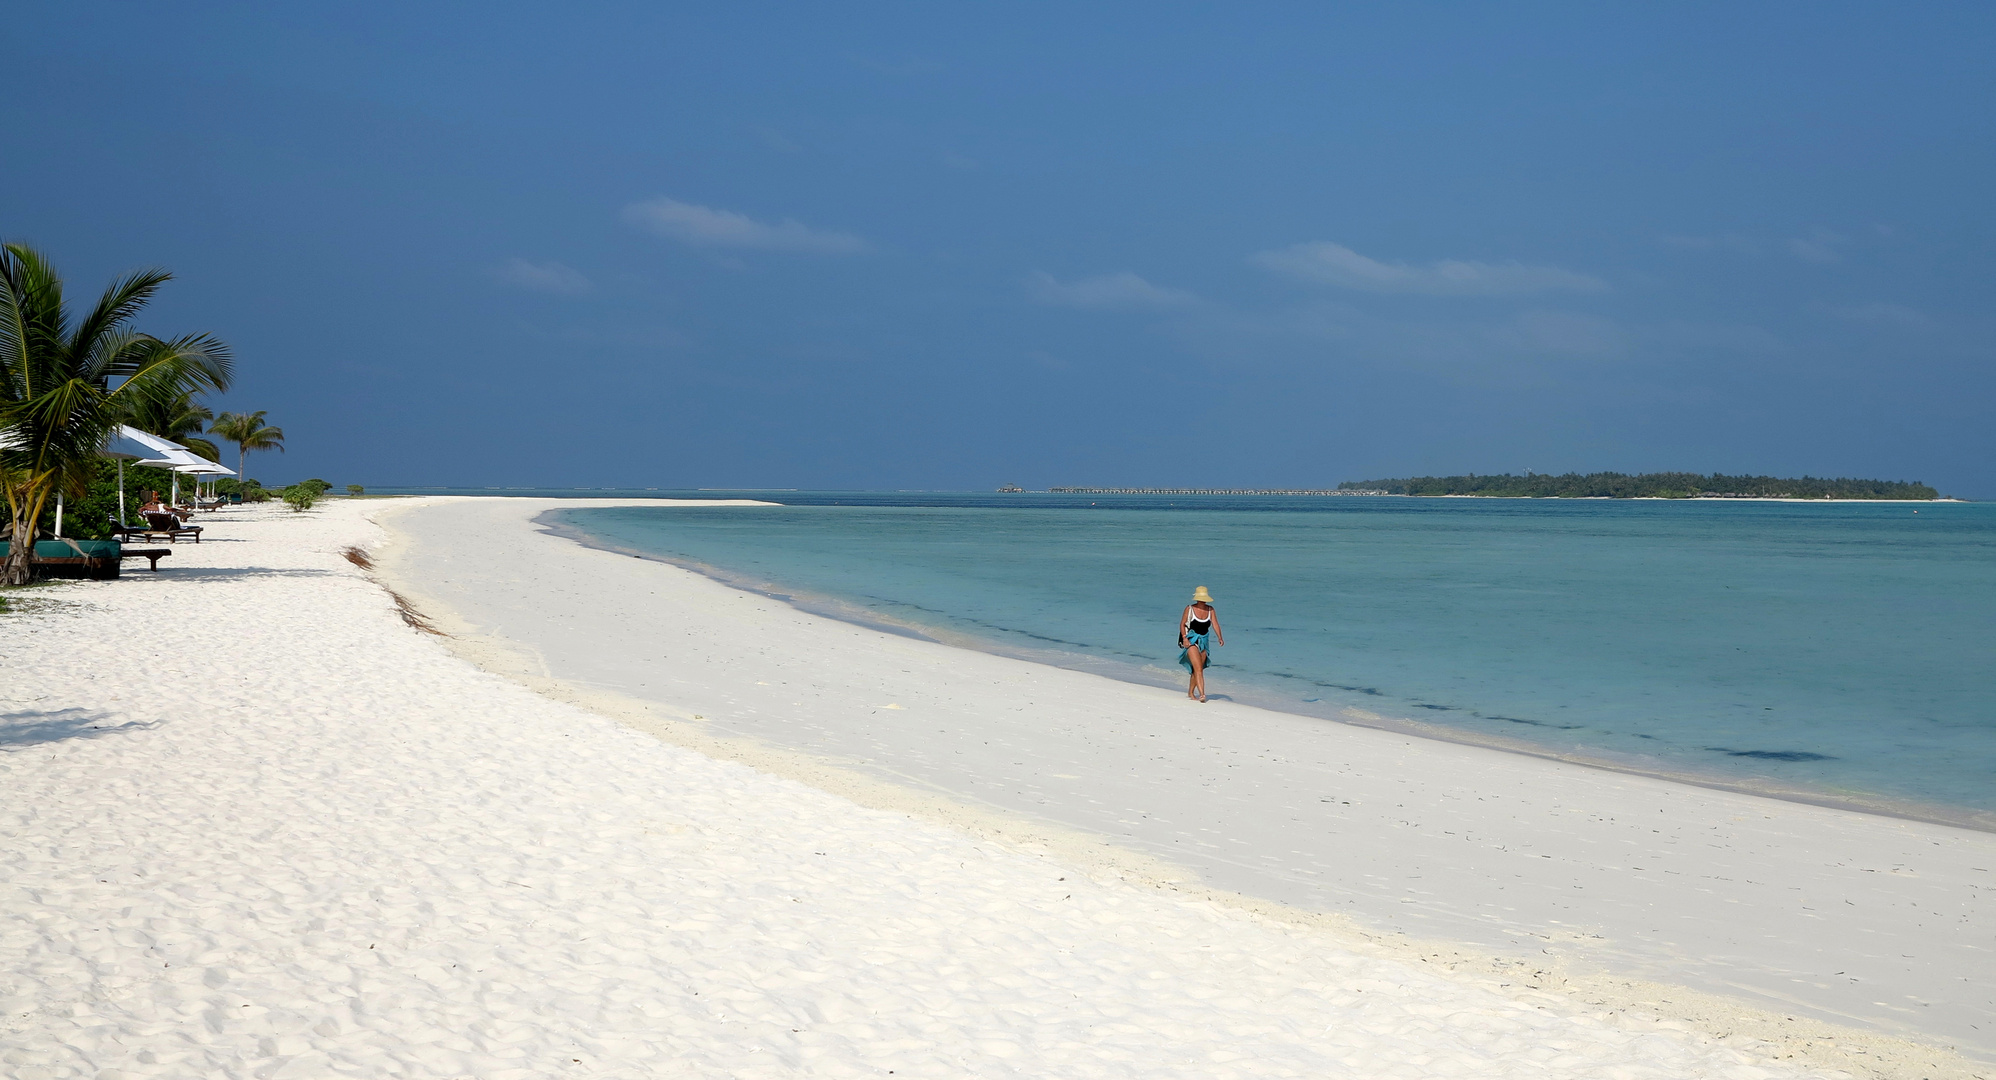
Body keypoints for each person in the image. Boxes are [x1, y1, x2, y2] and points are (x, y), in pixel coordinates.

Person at [1178, 585, 1224, 702]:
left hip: (1204, 641)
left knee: (1198, 669)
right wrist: (1185, 638)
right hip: (1192, 640)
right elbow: (1182, 624)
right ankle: (1202, 694)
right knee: (1198, 669)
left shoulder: (1210, 610)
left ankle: (1191, 692)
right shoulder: (1189, 609)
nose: (1202, 600)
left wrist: (1220, 637)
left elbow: (1215, 624)